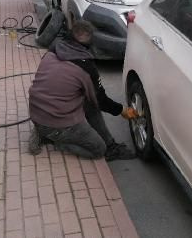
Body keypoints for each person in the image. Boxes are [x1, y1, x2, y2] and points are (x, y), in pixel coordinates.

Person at [28, 21, 138, 161]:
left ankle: (44, 131)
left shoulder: (54, 48)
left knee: (90, 98)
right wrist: (122, 110)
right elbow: (101, 101)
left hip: (37, 112)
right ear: (90, 44)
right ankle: (56, 141)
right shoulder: (85, 67)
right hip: (55, 123)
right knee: (98, 149)